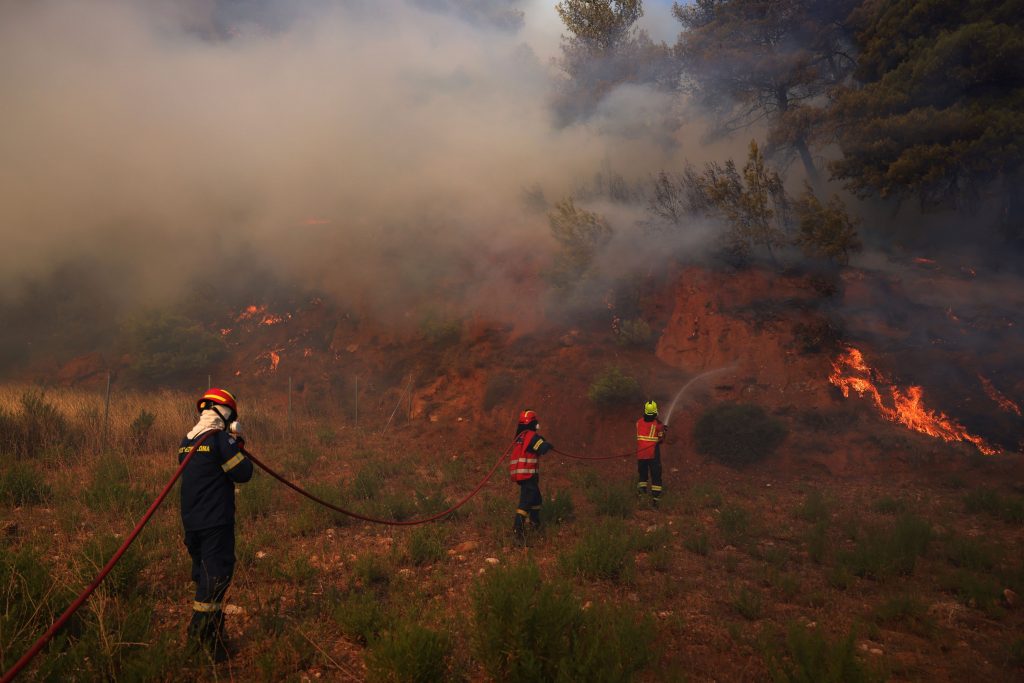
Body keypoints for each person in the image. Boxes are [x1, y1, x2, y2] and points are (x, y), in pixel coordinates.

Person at [178, 387, 252, 661]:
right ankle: (198, 644)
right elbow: (243, 473)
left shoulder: (187, 441)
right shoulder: (220, 439)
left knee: (206, 581)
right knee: (215, 579)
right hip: (215, 523)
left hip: (192, 524)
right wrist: (236, 447)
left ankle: (216, 643)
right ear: (225, 413)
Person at [510, 409, 552, 541]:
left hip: (524, 476)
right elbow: (542, 448)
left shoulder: (521, 437)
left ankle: (535, 524)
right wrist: (548, 444)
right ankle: (518, 533)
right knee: (525, 504)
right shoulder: (531, 437)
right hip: (528, 476)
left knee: (536, 500)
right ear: (533, 423)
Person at [636, 400, 666, 507]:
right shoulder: (658, 424)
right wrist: (663, 430)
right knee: (656, 475)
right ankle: (655, 500)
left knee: (642, 476)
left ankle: (641, 498)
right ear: (655, 412)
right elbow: (661, 439)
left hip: (641, 455)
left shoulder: (638, 422)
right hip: (653, 454)